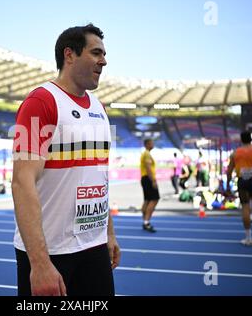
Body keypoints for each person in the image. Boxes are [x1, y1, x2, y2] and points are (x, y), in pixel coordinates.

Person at [12, 24, 120, 296]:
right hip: (52, 253)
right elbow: (21, 183)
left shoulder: (99, 108)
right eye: (96, 53)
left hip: (93, 247)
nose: (104, 61)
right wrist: (39, 262)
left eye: (104, 54)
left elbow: (100, 177)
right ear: (69, 55)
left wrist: (108, 233)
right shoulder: (40, 101)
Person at [140, 138, 159, 232]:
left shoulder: (146, 154)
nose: (153, 144)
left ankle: (145, 221)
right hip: (148, 178)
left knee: (147, 200)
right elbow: (148, 168)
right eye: (152, 142)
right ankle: (146, 222)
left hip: (145, 178)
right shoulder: (147, 154)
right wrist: (153, 180)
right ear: (147, 144)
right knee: (154, 199)